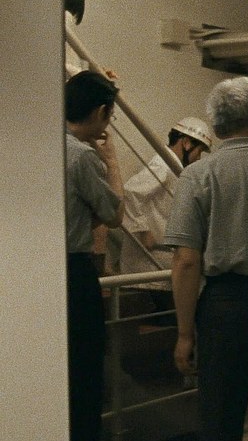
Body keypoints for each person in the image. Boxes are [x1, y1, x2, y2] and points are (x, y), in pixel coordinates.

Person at [165, 76, 248, 441]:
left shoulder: (198, 175)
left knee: (220, 417)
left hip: (224, 306)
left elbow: (186, 260)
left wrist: (185, 333)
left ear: (216, 122)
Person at [65, 70, 124, 441]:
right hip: (74, 274)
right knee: (85, 374)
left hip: (35, 272)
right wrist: (112, 162)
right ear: (101, 111)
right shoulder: (82, 157)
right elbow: (114, 215)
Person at [119, 117, 213, 321]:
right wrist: (143, 230)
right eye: (198, 151)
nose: (198, 158)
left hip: (159, 268)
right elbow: (131, 192)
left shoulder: (172, 167)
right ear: (186, 143)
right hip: (148, 269)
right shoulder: (162, 165)